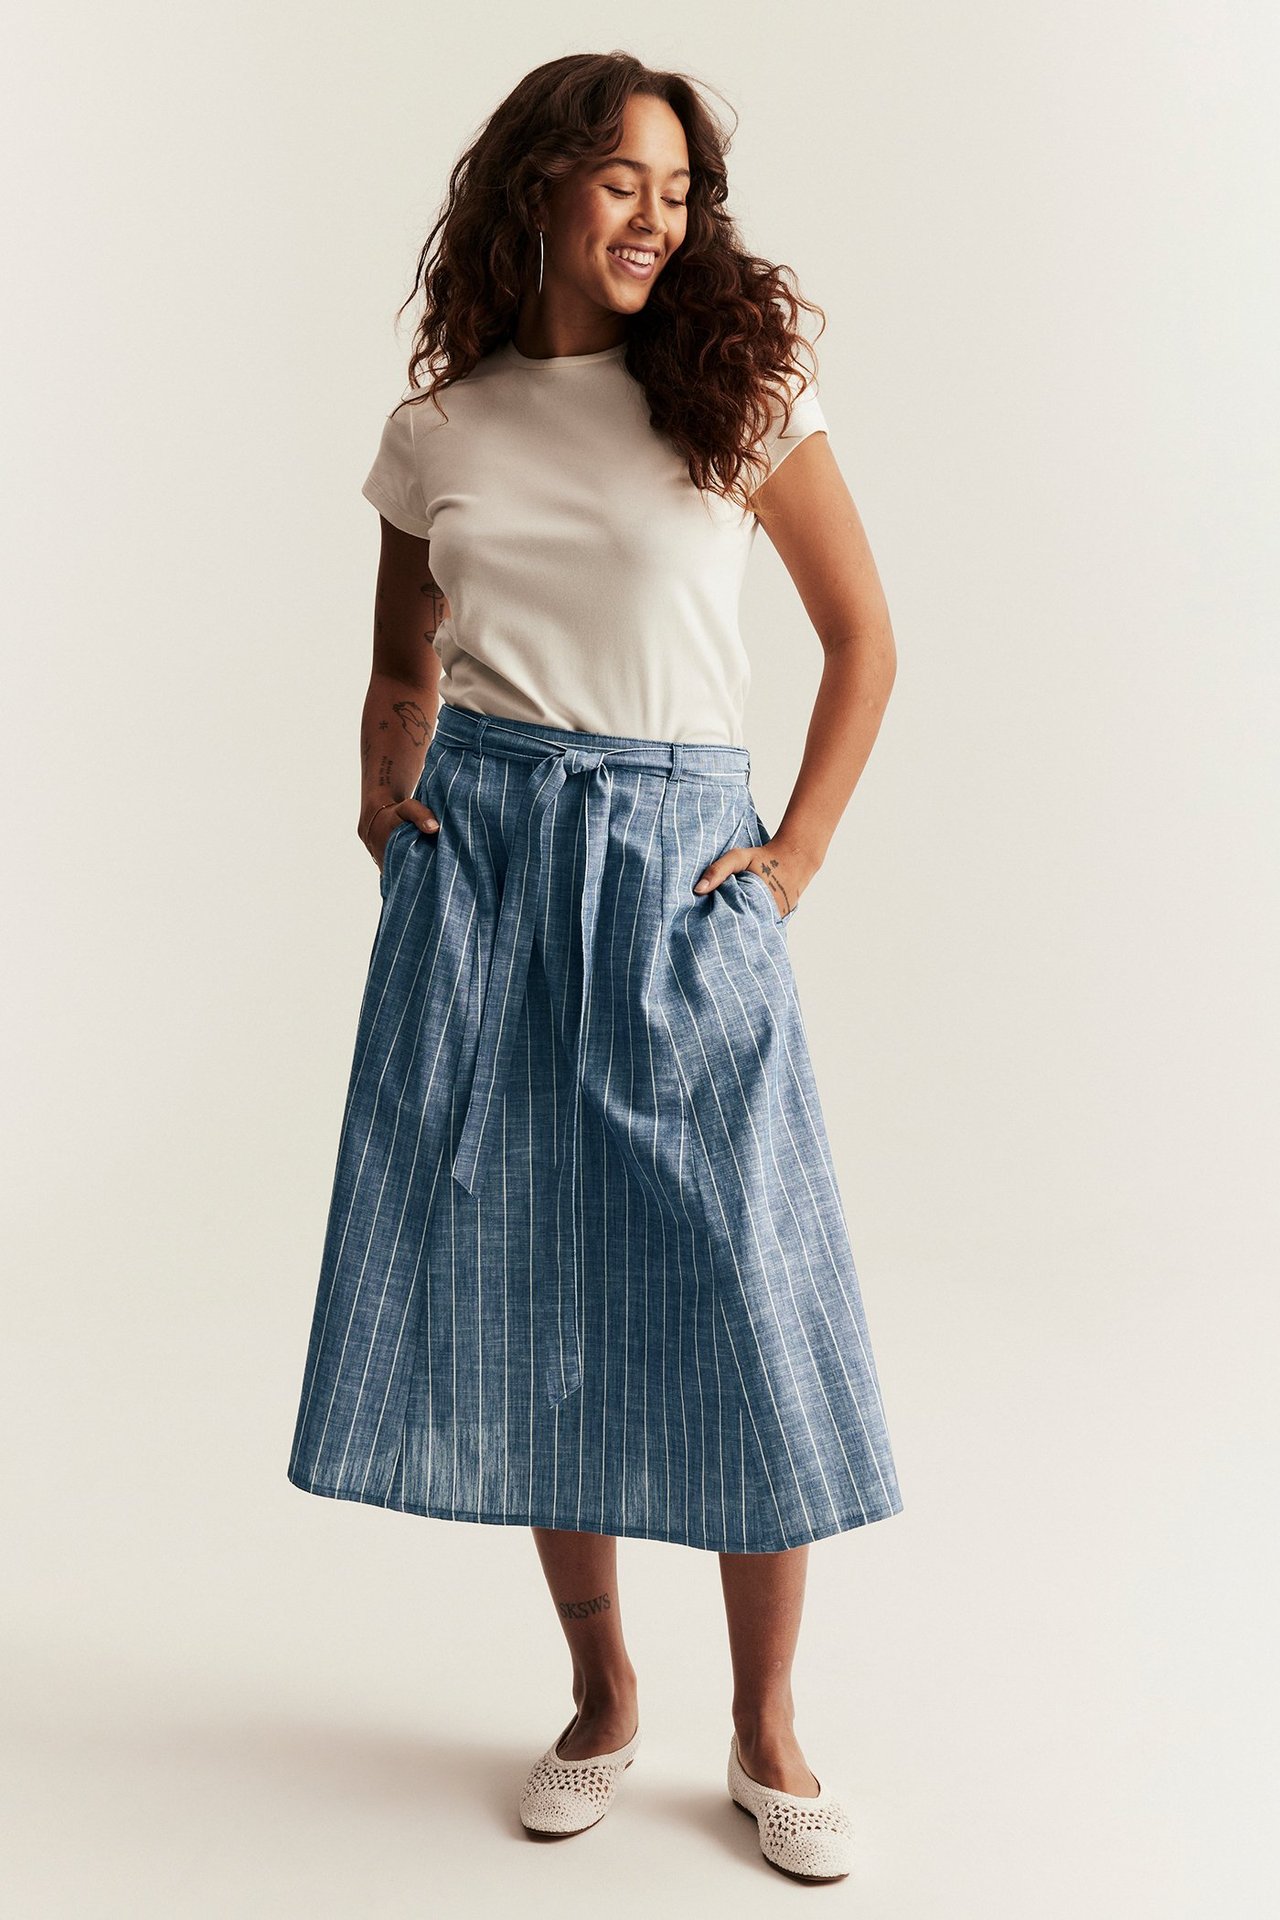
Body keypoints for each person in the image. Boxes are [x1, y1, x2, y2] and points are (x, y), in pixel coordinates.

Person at [287, 52, 904, 1883]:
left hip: (671, 866)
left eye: (682, 190)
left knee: (737, 1281)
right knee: (540, 1280)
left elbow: (865, 638)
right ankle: (602, 1693)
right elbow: (405, 664)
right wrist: (390, 812)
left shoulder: (739, 397)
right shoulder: (443, 429)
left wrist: (790, 855)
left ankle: (766, 1723)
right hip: (485, 872)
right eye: (626, 181)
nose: (659, 218)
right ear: (540, 186)